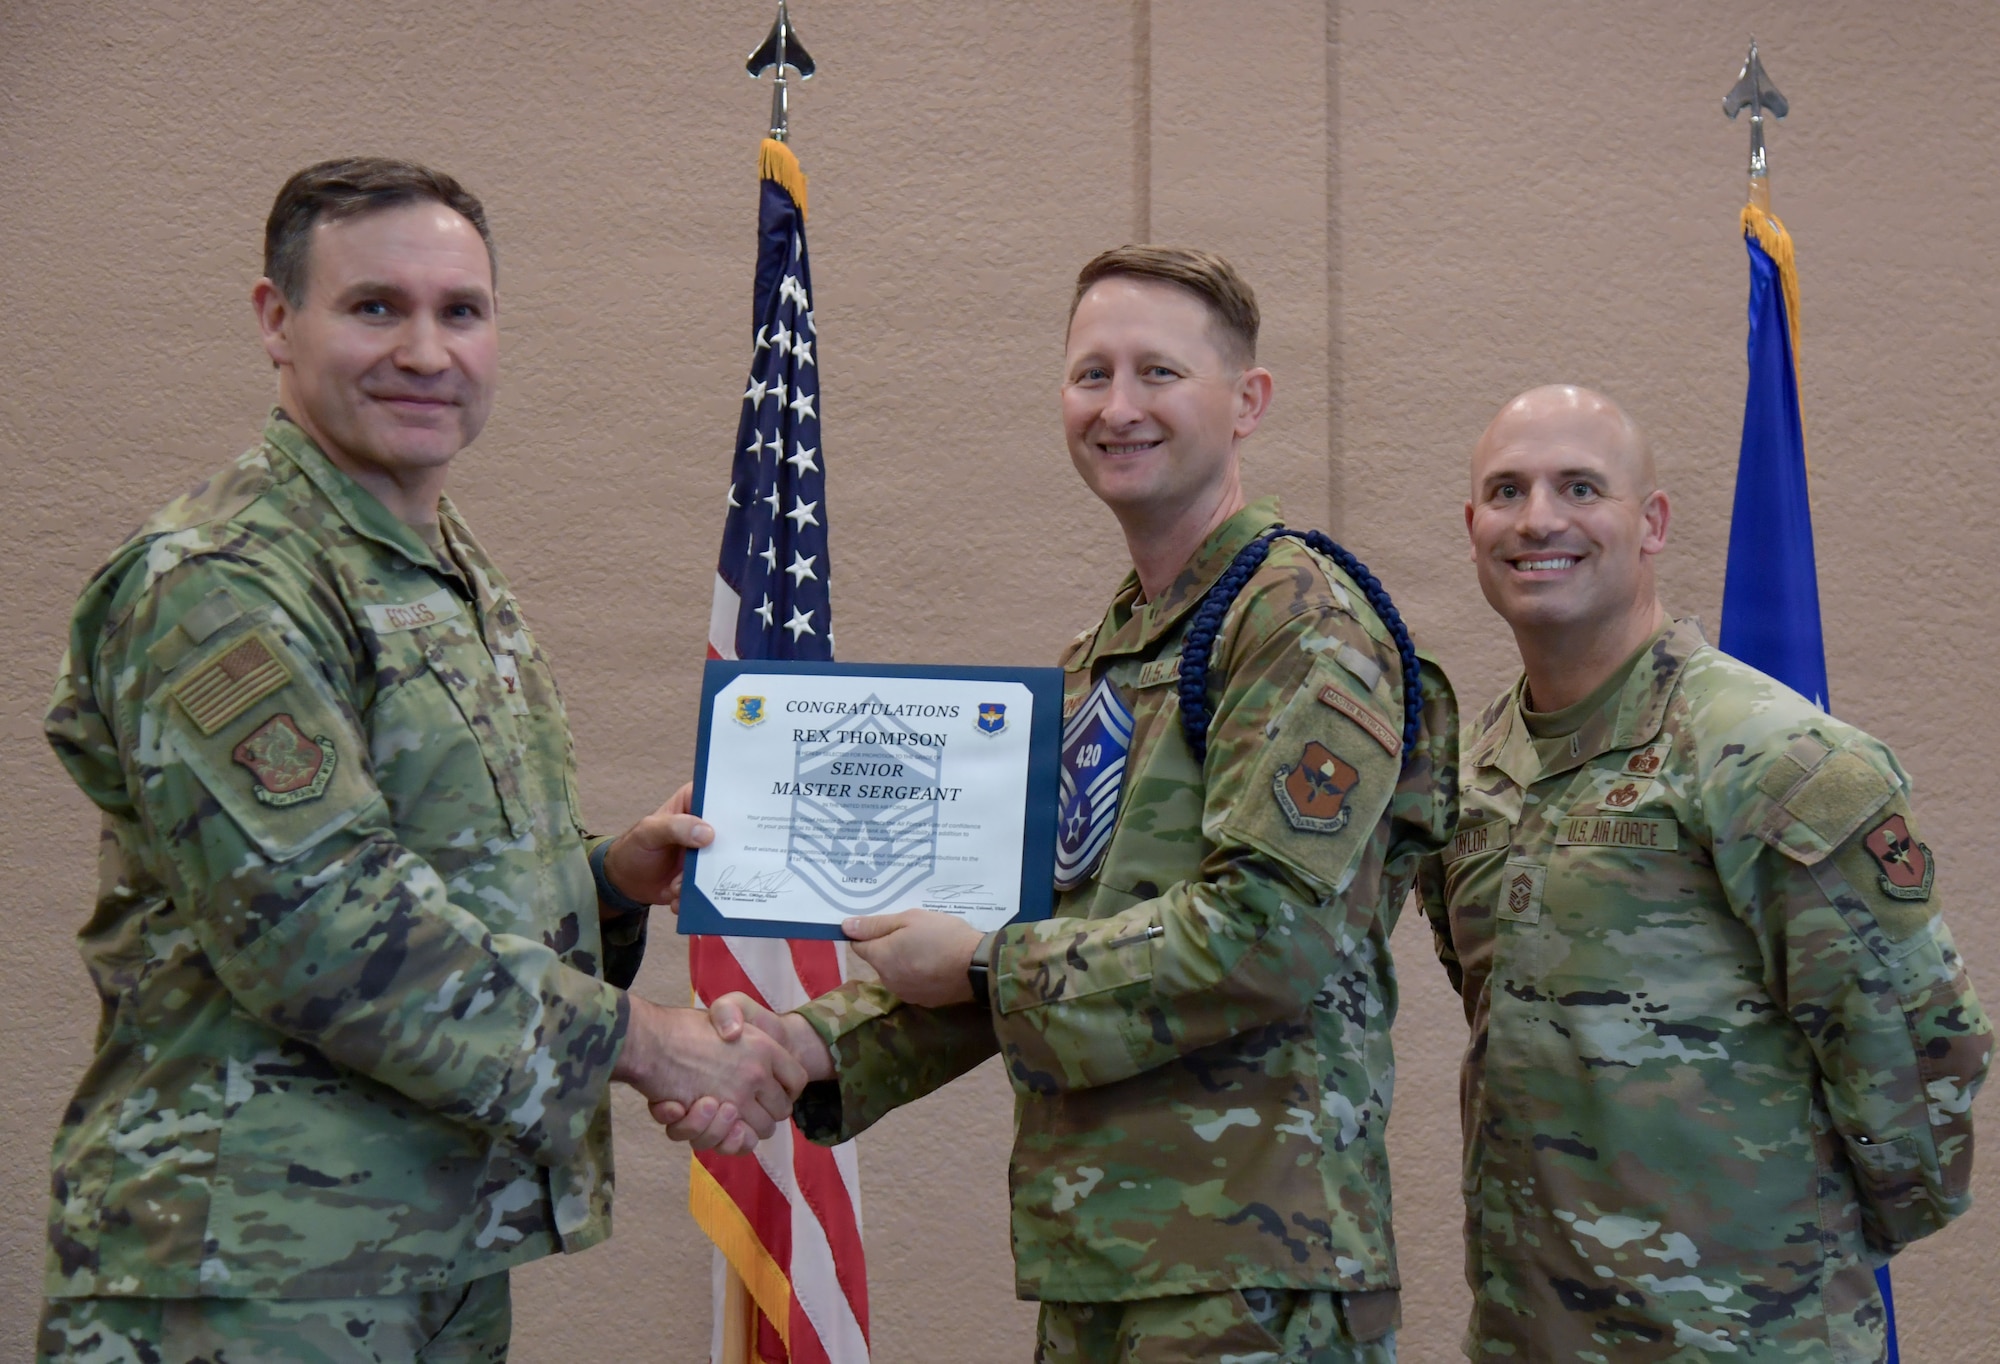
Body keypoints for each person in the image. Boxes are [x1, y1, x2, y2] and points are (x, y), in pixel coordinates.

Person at [36, 158, 805, 1363]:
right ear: (276, 320)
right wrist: (645, 1040)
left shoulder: (433, 563)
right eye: (375, 307)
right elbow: (323, 926)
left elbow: (426, 868)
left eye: (462, 310)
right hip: (246, 1276)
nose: (426, 351)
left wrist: (606, 880)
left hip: (415, 1257)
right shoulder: (223, 580)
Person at [669, 246, 1458, 1361]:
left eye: (1158, 374)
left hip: (1253, 1270)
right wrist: (802, 1043)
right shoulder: (1105, 656)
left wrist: (990, 962)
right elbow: (1025, 923)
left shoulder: (1298, 619)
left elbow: (1268, 935)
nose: (1118, 407)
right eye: (1091, 374)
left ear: (1247, 401)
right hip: (1109, 1253)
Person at [1416, 384, 1990, 1361]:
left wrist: (1786, 1261)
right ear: (1471, 526)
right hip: (1525, 1335)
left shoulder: (1772, 759)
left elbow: (1917, 1054)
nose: (1537, 518)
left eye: (1578, 486)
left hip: (1741, 1337)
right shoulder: (1470, 776)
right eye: (1504, 490)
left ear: (1651, 523)